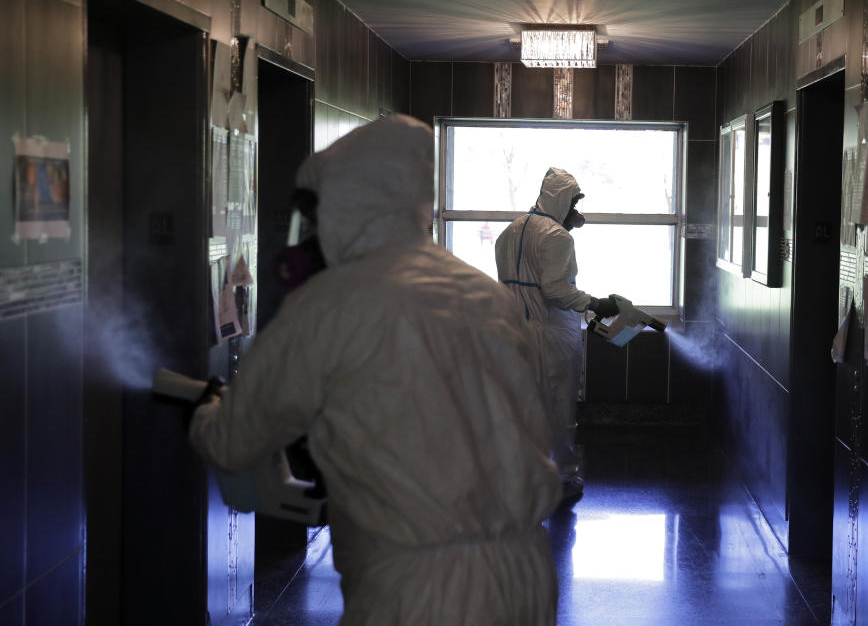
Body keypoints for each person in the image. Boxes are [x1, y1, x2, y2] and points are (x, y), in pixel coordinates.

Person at [189, 114, 562, 625]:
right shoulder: (482, 293)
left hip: (418, 589)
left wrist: (208, 412)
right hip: (525, 572)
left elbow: (235, 441)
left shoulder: (333, 303)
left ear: (346, 206)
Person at [494, 167, 618, 505]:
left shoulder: (510, 232)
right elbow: (555, 290)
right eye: (574, 201)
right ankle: (561, 478)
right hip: (552, 336)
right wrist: (595, 304)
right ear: (561, 199)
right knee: (559, 411)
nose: (577, 209)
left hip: (513, 334)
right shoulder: (558, 237)